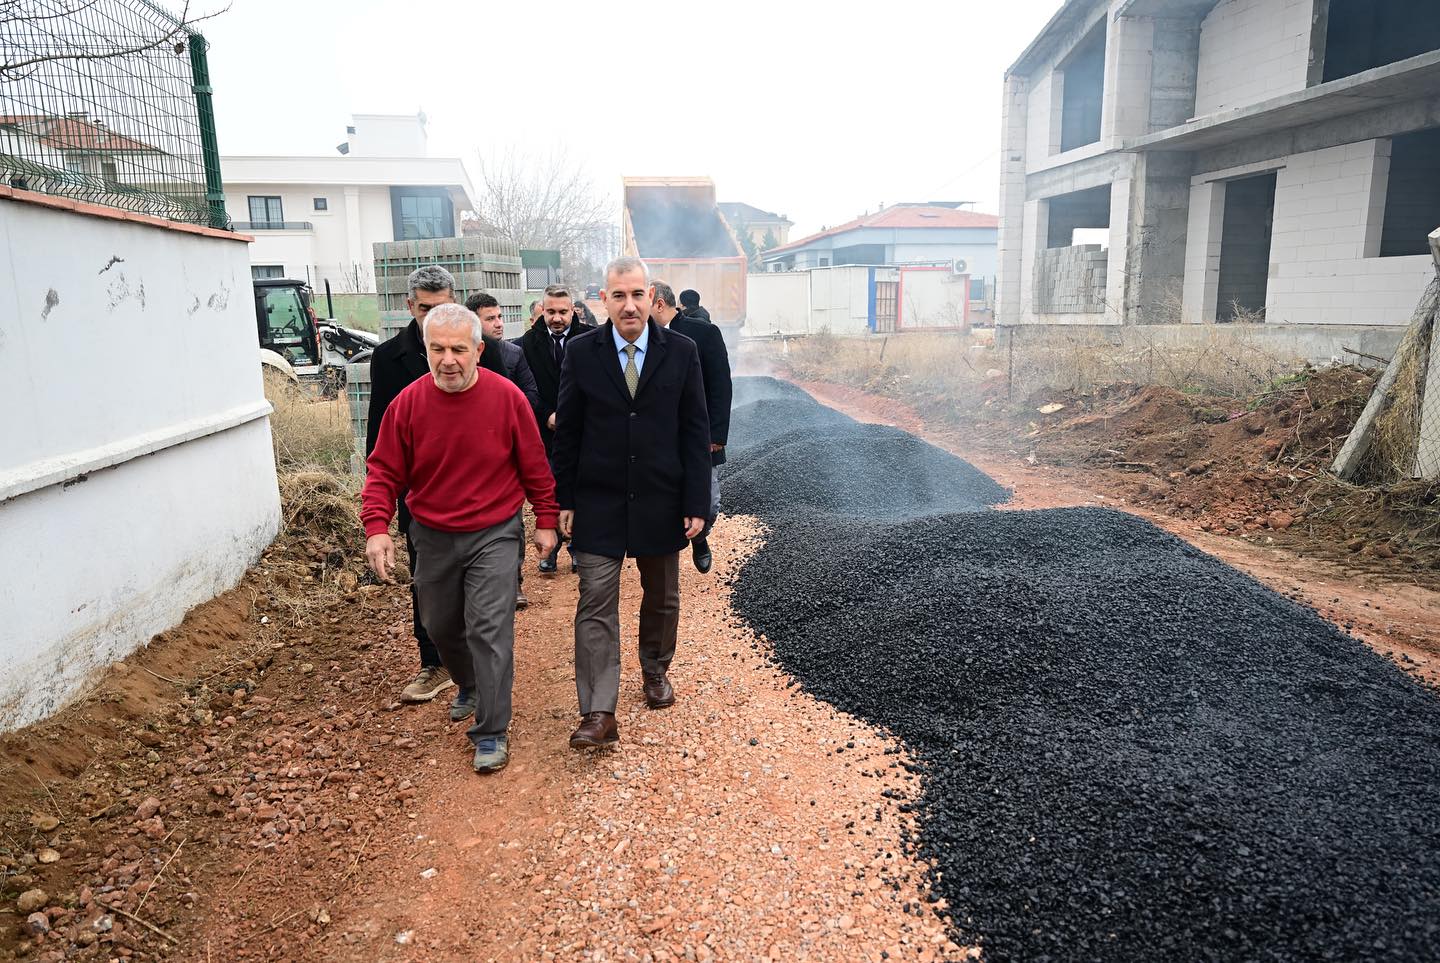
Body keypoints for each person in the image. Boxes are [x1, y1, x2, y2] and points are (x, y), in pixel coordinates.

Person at [362, 303, 559, 774]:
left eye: (457, 349)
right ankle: (467, 681)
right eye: (436, 349)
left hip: (494, 531)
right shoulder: (407, 404)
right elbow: (384, 469)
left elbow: (535, 465)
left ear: (478, 350)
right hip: (431, 533)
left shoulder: (507, 397)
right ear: (426, 350)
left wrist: (547, 520)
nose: (447, 360)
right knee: (440, 624)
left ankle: (491, 730)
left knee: (490, 629)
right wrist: (377, 527)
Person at [551, 257, 711, 750]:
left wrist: (696, 502)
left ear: (652, 298)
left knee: (662, 596)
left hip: (662, 498)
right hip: (599, 501)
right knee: (594, 602)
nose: (629, 304)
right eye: (618, 295)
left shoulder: (681, 351)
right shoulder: (581, 353)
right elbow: (569, 432)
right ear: (604, 299)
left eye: (637, 294)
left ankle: (655, 668)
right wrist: (565, 499)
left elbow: (694, 430)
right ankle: (599, 710)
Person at [366, 265, 462, 708]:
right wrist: (379, 506)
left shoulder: (477, 349)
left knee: (479, 580)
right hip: (419, 496)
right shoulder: (390, 358)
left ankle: (476, 661)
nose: (433, 316)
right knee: (426, 581)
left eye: (442, 306)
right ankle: (434, 662)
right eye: (425, 309)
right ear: (410, 307)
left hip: (473, 488)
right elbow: (379, 437)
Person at [467, 291, 542, 610]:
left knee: (509, 517)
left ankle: (514, 583)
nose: (498, 324)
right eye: (490, 318)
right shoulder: (455, 357)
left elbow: (531, 395)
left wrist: (505, 415)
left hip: (504, 452)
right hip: (467, 456)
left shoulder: (513, 354)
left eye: (500, 317)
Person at [651, 282, 732, 573]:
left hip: (700, 432)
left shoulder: (704, 333)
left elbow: (721, 384)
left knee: (708, 501)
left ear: (659, 304)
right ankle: (667, 552)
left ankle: (700, 538)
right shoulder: (642, 340)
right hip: (660, 435)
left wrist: (718, 434)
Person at [516, 284, 596, 573]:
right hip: (544, 430)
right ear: (542, 310)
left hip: (584, 431)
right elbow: (525, 388)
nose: (557, 318)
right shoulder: (526, 344)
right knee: (548, 490)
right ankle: (550, 549)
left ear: (573, 310)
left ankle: (579, 546)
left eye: (563, 312)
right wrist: (547, 414)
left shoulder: (590, 339)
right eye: (551, 312)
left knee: (581, 487)